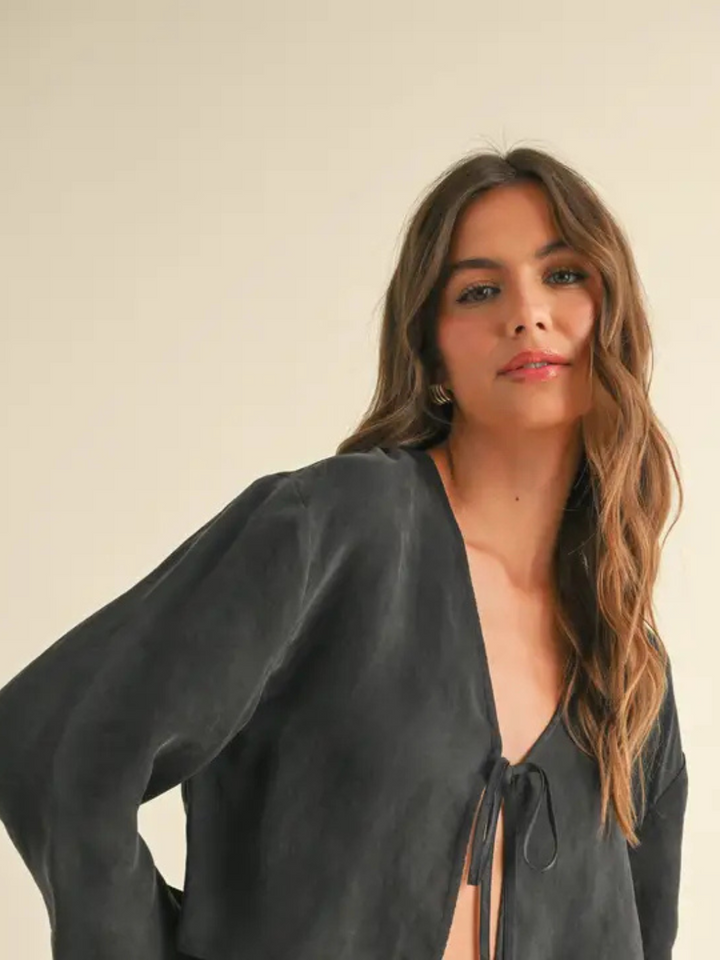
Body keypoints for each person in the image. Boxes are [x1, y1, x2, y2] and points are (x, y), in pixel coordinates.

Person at [0, 146, 688, 960]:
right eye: (479, 291)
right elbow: (51, 742)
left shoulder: (625, 656)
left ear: (615, 312)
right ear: (431, 355)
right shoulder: (338, 530)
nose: (527, 313)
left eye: (564, 275)